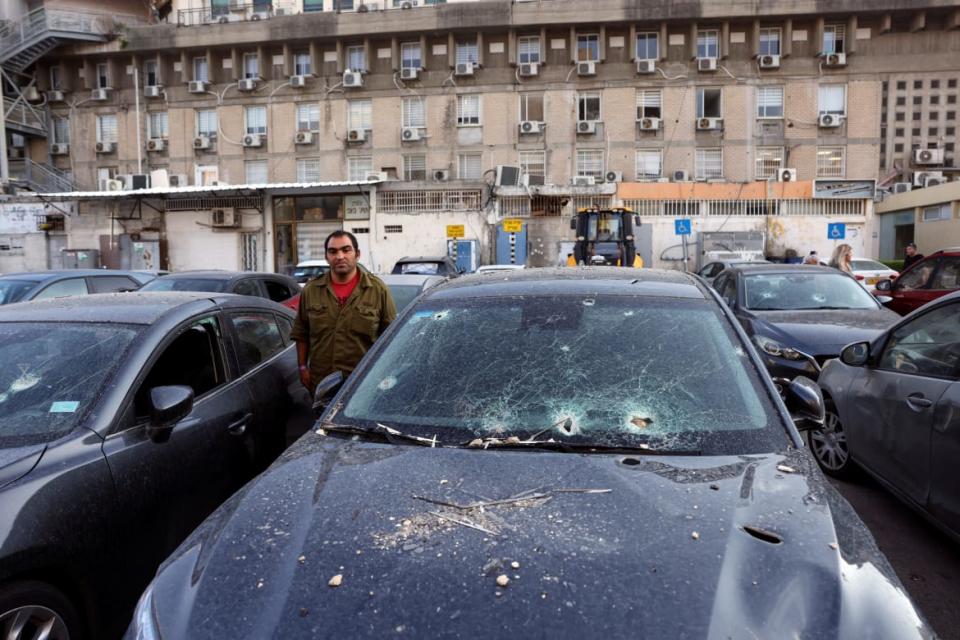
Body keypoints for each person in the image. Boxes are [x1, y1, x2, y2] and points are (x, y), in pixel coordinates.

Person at [291, 230, 397, 393]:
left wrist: (384, 375)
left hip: (363, 383)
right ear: (327, 257)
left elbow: (391, 339)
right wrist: (302, 367)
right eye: (333, 251)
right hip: (321, 382)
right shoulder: (311, 291)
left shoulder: (377, 290)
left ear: (357, 254)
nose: (340, 256)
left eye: (346, 250)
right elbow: (301, 333)